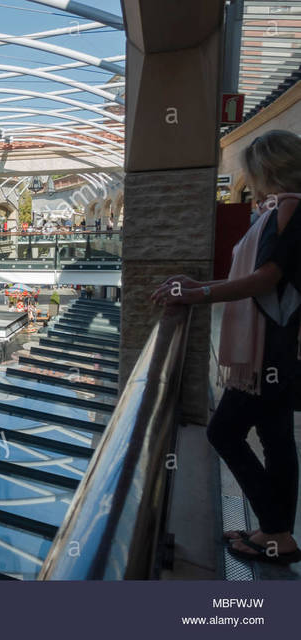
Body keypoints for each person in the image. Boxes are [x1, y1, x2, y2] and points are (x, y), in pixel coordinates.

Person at [151, 130, 301, 565]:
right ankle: (276, 535)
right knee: (275, 438)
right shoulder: (282, 210)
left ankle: (275, 530)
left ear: (266, 170)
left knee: (224, 431)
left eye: (251, 172)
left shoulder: (287, 210)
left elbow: (265, 279)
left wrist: (198, 296)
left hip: (270, 348)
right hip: (276, 344)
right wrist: (202, 285)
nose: (249, 181)